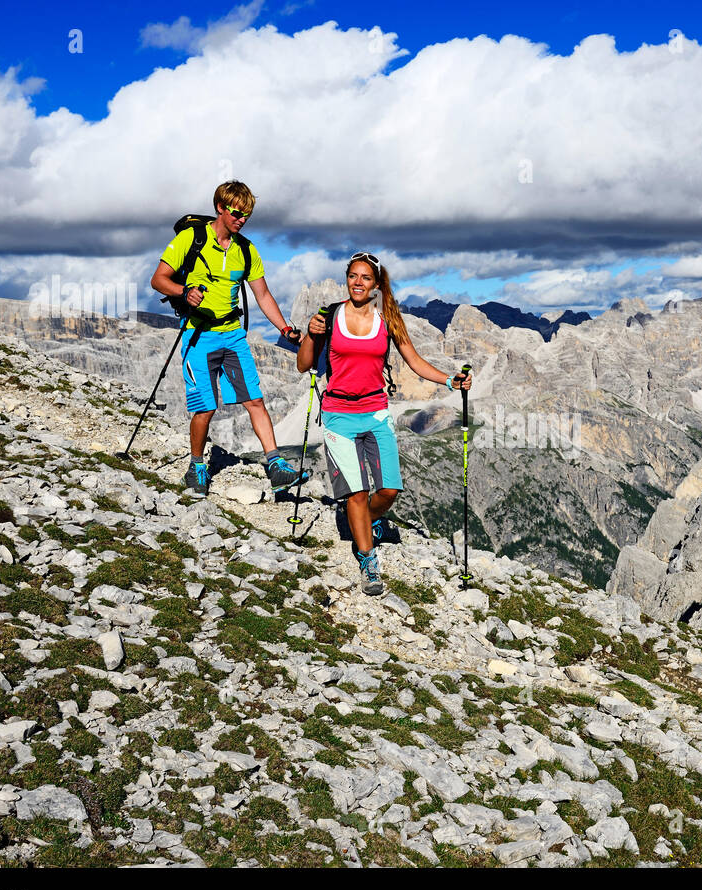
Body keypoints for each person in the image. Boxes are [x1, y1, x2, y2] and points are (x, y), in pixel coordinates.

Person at [297, 251, 472, 595]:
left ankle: (367, 522)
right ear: (346, 279)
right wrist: (310, 334)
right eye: (353, 276)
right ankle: (368, 561)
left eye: (365, 278)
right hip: (338, 415)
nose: (358, 283)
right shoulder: (330, 317)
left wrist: (449, 381)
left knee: (389, 490)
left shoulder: (388, 319)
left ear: (376, 284)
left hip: (376, 412)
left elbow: (416, 362)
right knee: (357, 493)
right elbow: (304, 365)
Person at [149, 181, 308, 497]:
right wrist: (184, 292)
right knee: (206, 407)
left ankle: (276, 466)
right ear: (220, 208)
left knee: (255, 400)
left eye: (247, 215)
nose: (242, 220)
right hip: (199, 336)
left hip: (233, 335)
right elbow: (158, 280)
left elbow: (262, 294)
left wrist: (283, 329)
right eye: (237, 213)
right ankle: (196, 466)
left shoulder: (245, 250)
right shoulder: (190, 239)